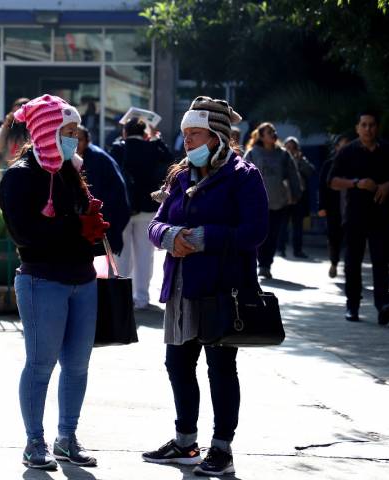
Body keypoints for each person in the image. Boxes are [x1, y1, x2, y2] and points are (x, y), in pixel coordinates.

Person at [145, 96, 268, 477]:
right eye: (185, 134)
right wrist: (169, 236)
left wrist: (201, 238)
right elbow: (155, 224)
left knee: (220, 368)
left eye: (195, 133)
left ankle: (222, 449)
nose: (188, 141)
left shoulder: (244, 176)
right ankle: (185, 442)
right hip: (181, 287)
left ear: (216, 136)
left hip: (223, 289)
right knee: (177, 364)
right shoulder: (180, 176)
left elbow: (254, 232)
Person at [0, 94, 109, 471]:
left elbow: (79, 222)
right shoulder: (19, 175)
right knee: (40, 364)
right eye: (68, 131)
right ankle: (34, 441)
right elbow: (25, 233)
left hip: (83, 279)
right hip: (42, 280)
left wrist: (93, 223)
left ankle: (67, 437)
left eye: (76, 132)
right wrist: (77, 226)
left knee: (77, 366)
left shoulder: (69, 171)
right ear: (47, 130)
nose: (74, 139)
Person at [329, 111, 389, 324]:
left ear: (377, 127)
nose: (368, 129)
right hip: (355, 214)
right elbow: (332, 181)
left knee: (380, 260)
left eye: (372, 125)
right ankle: (352, 305)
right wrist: (356, 183)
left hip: (381, 213)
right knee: (353, 261)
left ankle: (383, 305)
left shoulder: (388, 150)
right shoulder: (347, 151)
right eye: (364, 125)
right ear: (357, 128)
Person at [109, 118, 173, 309]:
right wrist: (156, 138)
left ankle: (123, 296)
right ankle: (142, 297)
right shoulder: (152, 148)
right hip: (147, 207)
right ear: (145, 133)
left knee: (122, 254)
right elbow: (169, 159)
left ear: (125, 132)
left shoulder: (118, 148)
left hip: (124, 208)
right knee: (145, 254)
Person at [244, 122, 301, 279]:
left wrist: (296, 193)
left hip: (278, 202)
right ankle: (261, 263)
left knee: (273, 235)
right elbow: (242, 175)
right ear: (261, 136)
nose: (273, 134)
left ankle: (266, 264)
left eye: (274, 131)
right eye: (269, 132)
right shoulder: (253, 153)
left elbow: (293, 175)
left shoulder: (283, 154)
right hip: (257, 203)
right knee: (260, 235)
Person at [76, 125, 130, 255]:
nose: (75, 143)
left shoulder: (97, 159)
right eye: (71, 137)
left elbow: (117, 193)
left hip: (101, 223)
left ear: (87, 141)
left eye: (79, 139)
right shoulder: (72, 158)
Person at [318, 134, 351, 278]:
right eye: (343, 145)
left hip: (352, 207)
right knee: (334, 237)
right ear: (337, 147)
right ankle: (334, 262)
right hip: (333, 207)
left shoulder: (356, 164)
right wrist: (322, 206)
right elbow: (322, 186)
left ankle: (350, 268)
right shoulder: (329, 164)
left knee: (352, 238)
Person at [279, 136, 316, 258]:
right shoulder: (281, 159)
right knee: (282, 225)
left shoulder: (301, 160)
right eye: (288, 147)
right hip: (284, 197)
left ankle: (298, 250)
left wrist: (300, 161)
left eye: (293, 147)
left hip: (298, 197)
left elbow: (310, 171)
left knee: (298, 225)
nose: (290, 150)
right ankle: (281, 249)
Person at [0, 97, 31, 162]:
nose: (16, 115)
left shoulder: (32, 127)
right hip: (10, 165)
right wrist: (5, 126)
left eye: (19, 112)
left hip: (27, 165)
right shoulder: (9, 127)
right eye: (14, 112)